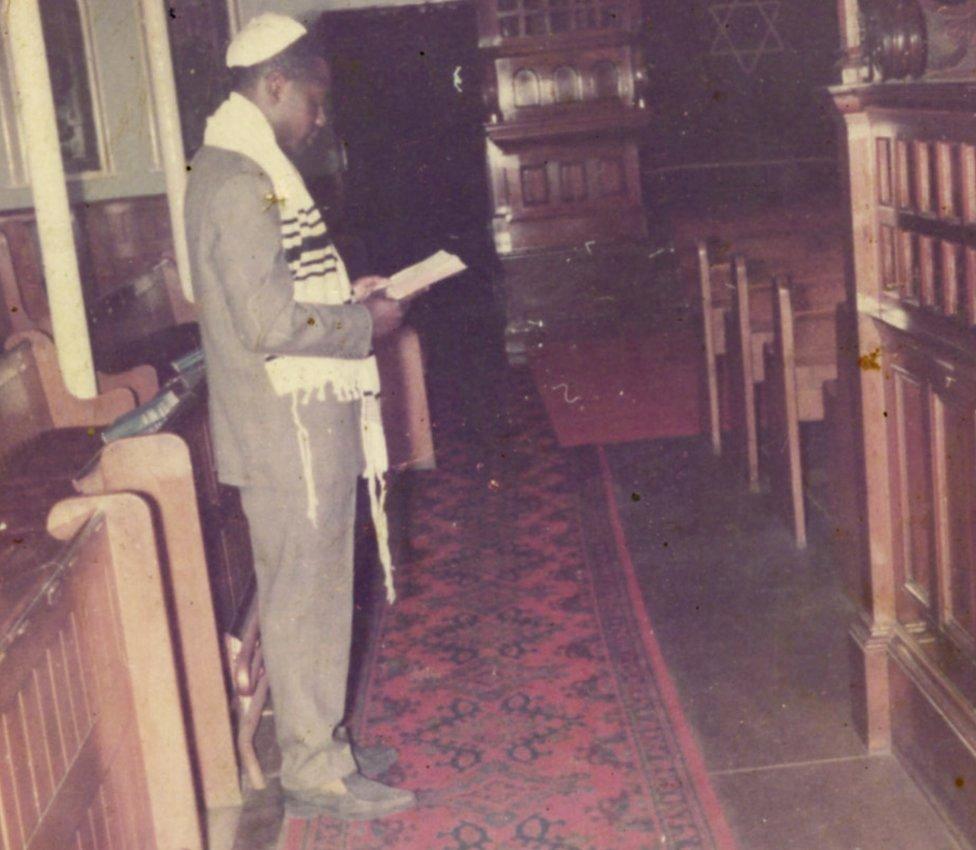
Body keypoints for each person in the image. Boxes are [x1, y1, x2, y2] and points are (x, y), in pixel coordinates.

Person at [183, 12, 415, 821]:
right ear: (273, 85)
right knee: (303, 596)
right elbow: (268, 324)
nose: (317, 119)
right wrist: (365, 326)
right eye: (311, 101)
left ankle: (328, 744)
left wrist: (343, 299)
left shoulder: (245, 163)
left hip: (294, 420)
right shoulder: (240, 178)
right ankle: (315, 769)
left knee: (316, 590)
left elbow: (282, 298)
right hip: (286, 428)